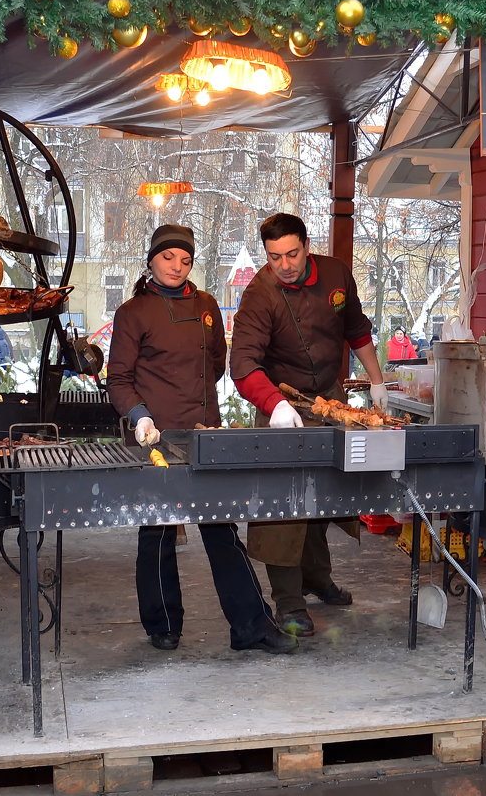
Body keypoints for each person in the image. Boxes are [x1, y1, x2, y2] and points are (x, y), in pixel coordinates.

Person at [107, 224, 297, 655]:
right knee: (157, 531)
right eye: (168, 258)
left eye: (185, 260)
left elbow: (215, 363)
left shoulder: (208, 305)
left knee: (221, 529)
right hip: (154, 436)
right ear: (152, 260)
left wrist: (202, 412)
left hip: (204, 435)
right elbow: (117, 379)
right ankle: (163, 624)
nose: (177, 266)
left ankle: (251, 626)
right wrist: (139, 416)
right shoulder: (133, 312)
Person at [230, 212, 389, 636]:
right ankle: (288, 600)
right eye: (274, 256)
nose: (284, 264)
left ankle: (317, 578)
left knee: (324, 493)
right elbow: (242, 365)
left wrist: (376, 382)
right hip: (279, 403)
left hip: (330, 399)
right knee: (284, 503)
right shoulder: (259, 295)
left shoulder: (336, 273)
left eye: (292, 253)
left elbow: (356, 330)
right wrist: (276, 405)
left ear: (307, 244)